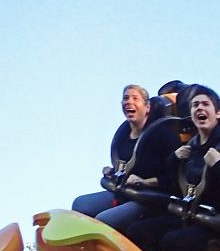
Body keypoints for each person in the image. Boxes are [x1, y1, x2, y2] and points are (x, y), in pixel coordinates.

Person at [125, 86, 220, 251]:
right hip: (192, 216)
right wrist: (173, 160)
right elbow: (172, 186)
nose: (199, 108)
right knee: (139, 231)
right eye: (195, 105)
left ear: (217, 113)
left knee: (175, 241)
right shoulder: (190, 149)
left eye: (205, 104)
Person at [71, 84, 180, 233]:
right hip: (124, 193)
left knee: (103, 221)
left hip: (150, 198)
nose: (129, 102)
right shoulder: (123, 136)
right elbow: (125, 167)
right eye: (126, 98)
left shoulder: (162, 134)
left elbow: (174, 177)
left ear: (147, 107)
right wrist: (112, 172)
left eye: (135, 98)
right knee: (80, 205)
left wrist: (145, 182)